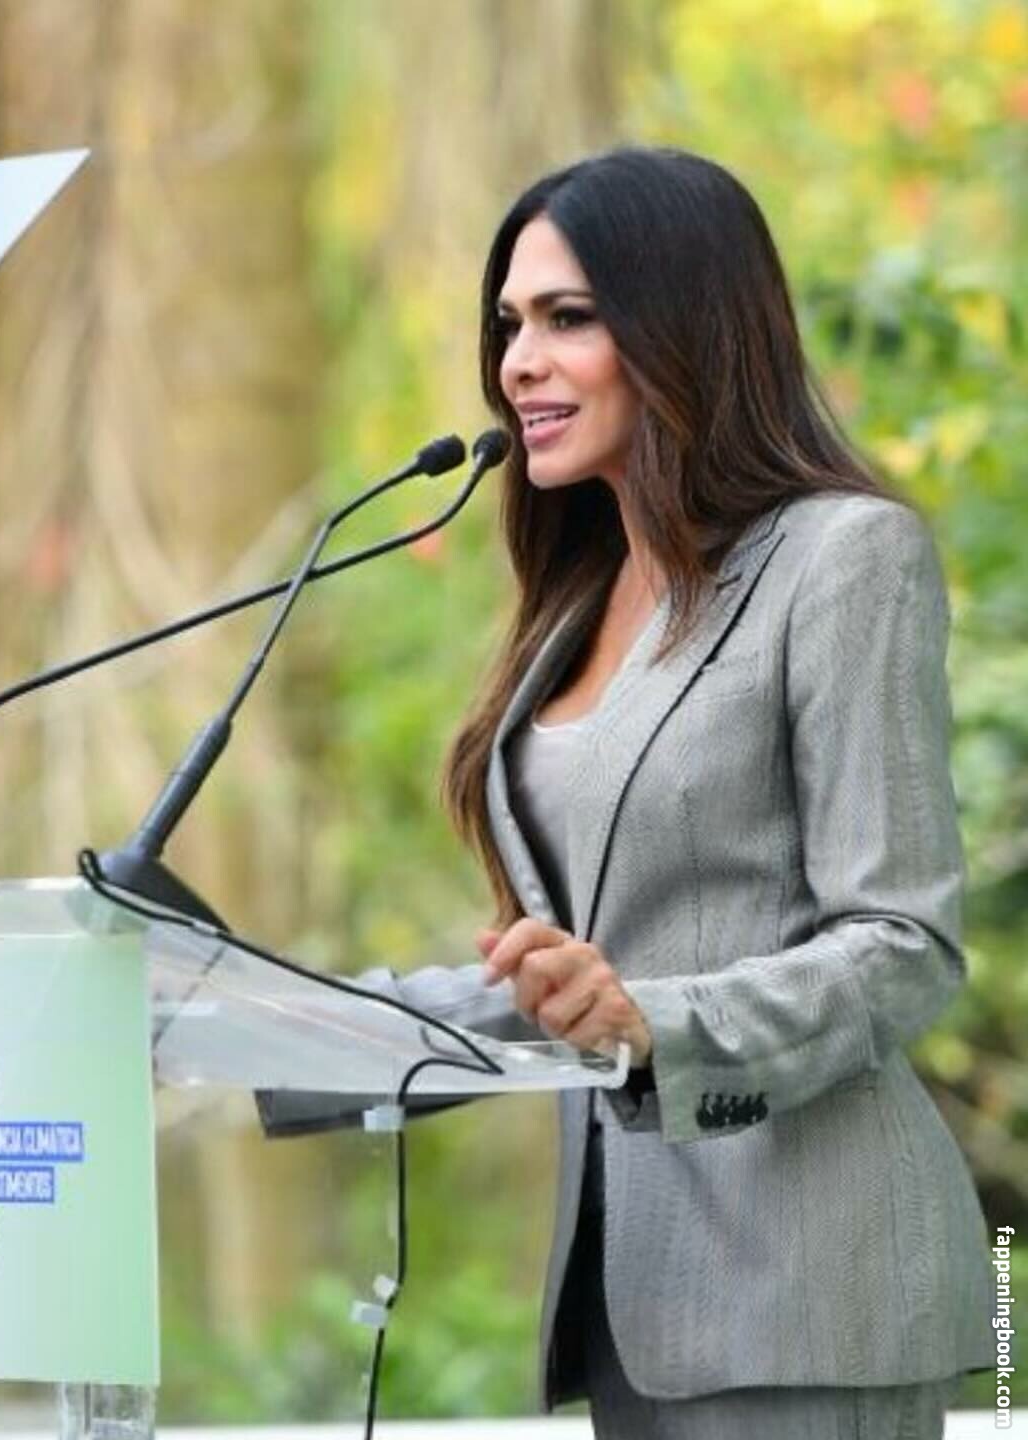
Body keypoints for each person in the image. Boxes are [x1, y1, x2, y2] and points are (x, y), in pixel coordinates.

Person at [272, 146, 997, 1439]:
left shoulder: (844, 558)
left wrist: (648, 1024)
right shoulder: (579, 598)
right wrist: (263, 1020)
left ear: (684, 327)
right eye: (508, 326)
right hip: (633, 1306)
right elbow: (558, 983)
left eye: (567, 317)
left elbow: (902, 947)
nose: (517, 364)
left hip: (808, 1298)